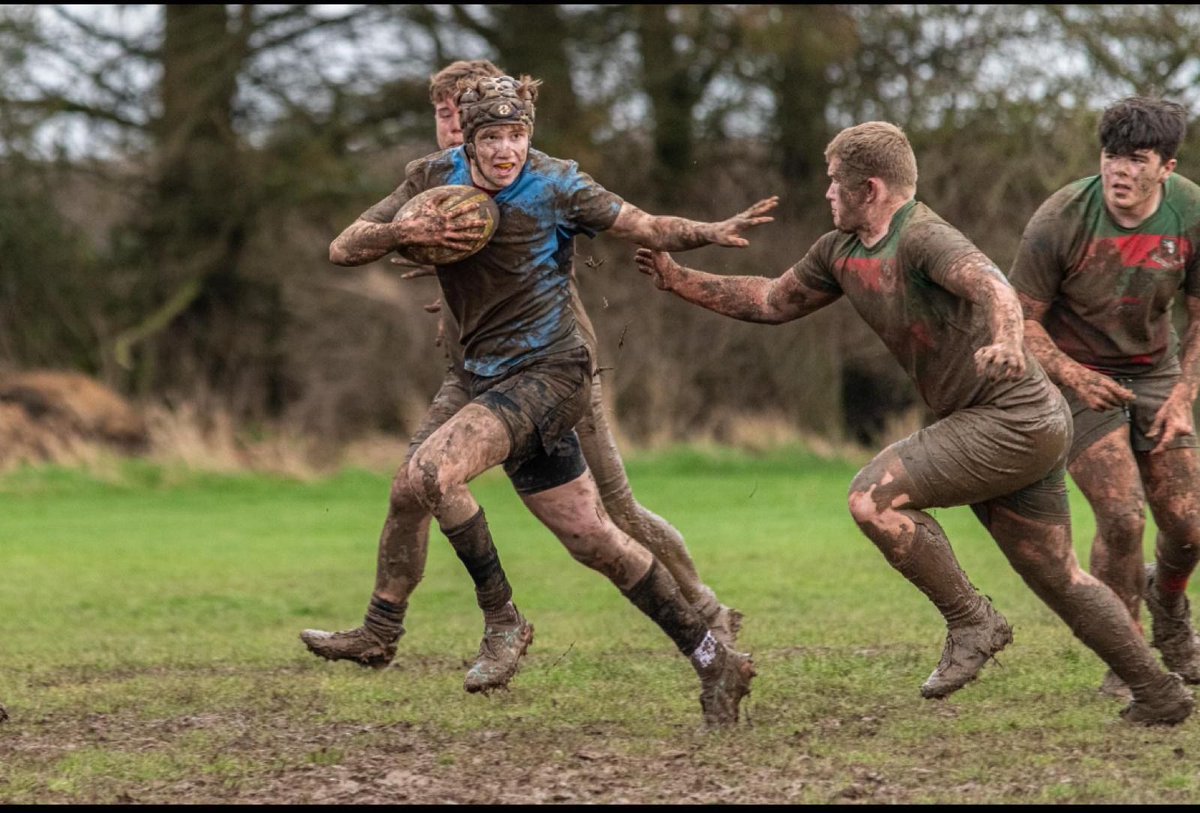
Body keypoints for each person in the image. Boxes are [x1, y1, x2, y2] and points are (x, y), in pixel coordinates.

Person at [634, 120, 1195, 725]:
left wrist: (1008, 343)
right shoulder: (839, 250)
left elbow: (996, 289)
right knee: (1059, 577)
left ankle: (971, 620)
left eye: (835, 184)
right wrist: (677, 279)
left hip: (1012, 418)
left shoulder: (925, 236)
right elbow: (771, 300)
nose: (826, 194)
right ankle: (1157, 693)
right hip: (1018, 424)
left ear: (869, 189)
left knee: (872, 500)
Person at [314, 72, 775, 726]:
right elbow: (342, 246)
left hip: (550, 373)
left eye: (518, 135)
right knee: (594, 538)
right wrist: (399, 231)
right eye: (494, 137)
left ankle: (503, 620)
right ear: (468, 141)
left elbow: (643, 223)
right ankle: (712, 657)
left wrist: (710, 229)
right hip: (481, 376)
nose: (507, 149)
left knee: (429, 472)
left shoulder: (557, 184)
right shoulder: (431, 180)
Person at [1009, 96, 1200, 700]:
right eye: (1111, 156)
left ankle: (1167, 606)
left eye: (1137, 159)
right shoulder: (1061, 217)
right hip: (1075, 379)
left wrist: (1186, 393)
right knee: (1121, 518)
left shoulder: (1190, 213)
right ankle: (1129, 658)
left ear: (1166, 167)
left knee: (1190, 527)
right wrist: (1069, 372)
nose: (1120, 171)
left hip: (1156, 374)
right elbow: (1018, 319)